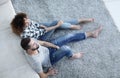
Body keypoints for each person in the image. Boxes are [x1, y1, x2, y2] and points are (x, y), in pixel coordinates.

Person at [20, 26, 102, 78]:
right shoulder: (35, 62)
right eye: (33, 44)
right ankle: (72, 56)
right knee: (66, 48)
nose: (36, 43)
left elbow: (44, 43)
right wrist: (49, 73)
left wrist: (54, 46)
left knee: (68, 36)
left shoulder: (32, 42)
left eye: (34, 42)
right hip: (50, 59)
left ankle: (91, 34)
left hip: (48, 49)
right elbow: (42, 76)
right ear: (28, 49)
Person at [11, 12, 94, 41]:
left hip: (39, 29)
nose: (28, 20)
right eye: (26, 22)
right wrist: (57, 25)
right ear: (22, 26)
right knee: (56, 23)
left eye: (26, 19)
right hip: (41, 37)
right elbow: (45, 31)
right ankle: (72, 26)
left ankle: (79, 20)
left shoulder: (27, 22)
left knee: (57, 22)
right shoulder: (25, 34)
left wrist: (41, 25)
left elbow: (36, 24)